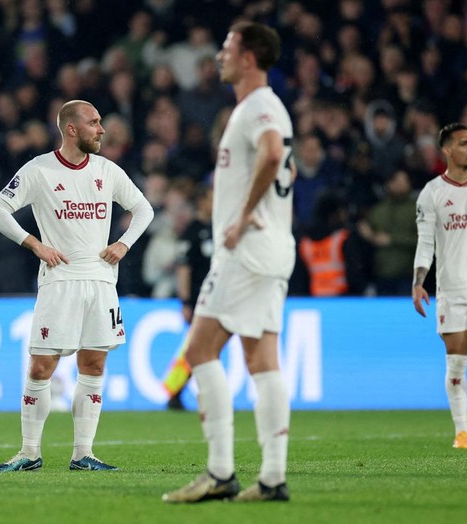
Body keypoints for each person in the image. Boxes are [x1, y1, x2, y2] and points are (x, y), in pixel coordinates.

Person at [162, 21, 294, 503]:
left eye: (227, 48)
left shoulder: (259, 106)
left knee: (198, 351)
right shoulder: (264, 107)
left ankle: (220, 472)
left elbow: (273, 153)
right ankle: (273, 478)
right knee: (262, 360)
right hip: (274, 248)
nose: (220, 55)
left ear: (250, 57)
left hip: (246, 251)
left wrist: (242, 215)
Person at [0, 99, 153, 472]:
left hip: (100, 282)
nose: (102, 129)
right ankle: (29, 452)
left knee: (93, 364)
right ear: (71, 129)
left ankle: (83, 453)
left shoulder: (108, 171)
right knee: (41, 367)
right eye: (94, 123)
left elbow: (144, 209)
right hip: (60, 281)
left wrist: (123, 243)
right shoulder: (39, 170)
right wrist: (35, 244)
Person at [413, 122, 467, 450]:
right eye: (464, 143)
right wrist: (418, 282)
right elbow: (425, 244)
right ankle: (462, 432)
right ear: (447, 150)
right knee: (457, 364)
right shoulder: (432, 193)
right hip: (452, 289)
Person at [162, 185, 213, 410]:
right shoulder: (192, 232)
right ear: (202, 202)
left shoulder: (216, 229)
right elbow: (184, 269)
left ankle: (178, 392)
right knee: (198, 349)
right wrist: (185, 301)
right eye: (212, 198)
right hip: (198, 302)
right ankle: (177, 391)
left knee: (202, 349)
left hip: (215, 299)